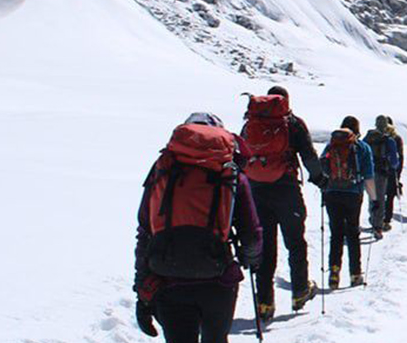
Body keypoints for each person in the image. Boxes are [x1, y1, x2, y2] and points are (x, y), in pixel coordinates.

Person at [133, 112, 261, 343]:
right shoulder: (229, 173)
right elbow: (251, 232)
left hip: (168, 278)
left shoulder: (163, 170)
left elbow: (145, 231)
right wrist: (251, 257)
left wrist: (142, 290)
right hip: (218, 279)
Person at [239, 85, 324, 319]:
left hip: (256, 192)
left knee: (265, 247)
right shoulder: (292, 123)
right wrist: (320, 179)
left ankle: (265, 303)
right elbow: (308, 155)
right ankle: (299, 291)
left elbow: (242, 155)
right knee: (295, 242)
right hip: (286, 190)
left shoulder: (252, 122)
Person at [319, 115, 375, 288]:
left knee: (335, 233)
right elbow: (368, 175)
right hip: (353, 193)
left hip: (332, 193)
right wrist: (374, 199)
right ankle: (355, 273)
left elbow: (322, 168)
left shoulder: (331, 145)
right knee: (352, 233)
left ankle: (334, 272)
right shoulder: (362, 147)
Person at [362, 115, 404, 235]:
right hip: (381, 172)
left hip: (368, 173)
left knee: (372, 197)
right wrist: (393, 167)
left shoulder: (368, 138)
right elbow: (394, 161)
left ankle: (372, 219)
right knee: (380, 198)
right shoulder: (388, 140)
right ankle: (378, 226)